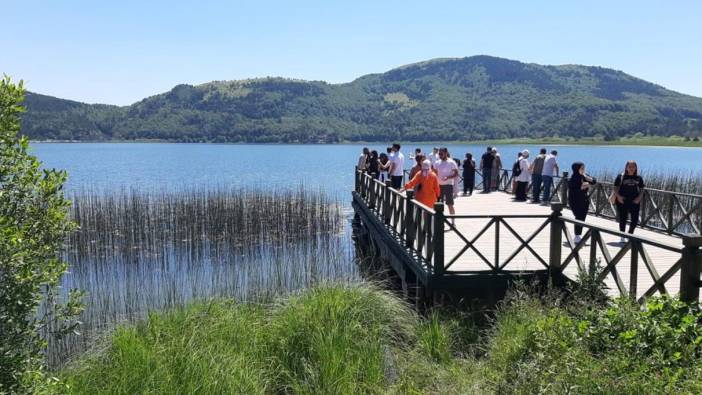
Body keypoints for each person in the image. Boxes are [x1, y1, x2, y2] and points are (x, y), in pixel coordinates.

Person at [613, 160, 645, 242]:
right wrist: (619, 197)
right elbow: (615, 187)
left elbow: (642, 189)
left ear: (636, 168)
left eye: (633, 167)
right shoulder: (621, 176)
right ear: (626, 167)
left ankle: (630, 234)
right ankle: (622, 236)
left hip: (634, 201)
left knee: (635, 220)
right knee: (623, 219)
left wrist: (639, 198)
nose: (631, 168)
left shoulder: (639, 177)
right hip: (622, 200)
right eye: (630, 167)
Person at [568, 162, 597, 244]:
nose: (583, 170)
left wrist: (589, 180)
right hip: (575, 200)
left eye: (584, 168)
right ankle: (577, 236)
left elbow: (594, 181)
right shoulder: (573, 178)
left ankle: (578, 235)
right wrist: (581, 187)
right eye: (582, 168)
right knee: (578, 216)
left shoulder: (584, 175)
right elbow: (573, 190)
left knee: (583, 217)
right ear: (576, 169)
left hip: (584, 199)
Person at [433, 147, 459, 216]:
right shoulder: (437, 162)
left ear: (446, 153)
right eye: (439, 154)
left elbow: (456, 173)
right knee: (438, 204)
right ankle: (439, 221)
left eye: (441, 154)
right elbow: (434, 173)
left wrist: (448, 177)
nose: (440, 155)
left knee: (450, 204)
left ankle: (453, 223)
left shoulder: (451, 162)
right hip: (438, 186)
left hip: (448, 185)